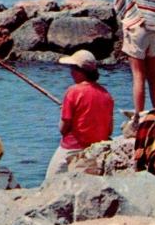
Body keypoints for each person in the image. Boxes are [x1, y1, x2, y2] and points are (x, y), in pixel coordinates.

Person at [45, 50, 114, 179]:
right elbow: (109, 130)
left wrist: (64, 112)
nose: (70, 72)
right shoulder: (106, 94)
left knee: (50, 180)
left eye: (72, 68)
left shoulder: (72, 92)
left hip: (72, 147)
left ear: (79, 71)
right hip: (97, 148)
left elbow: (63, 128)